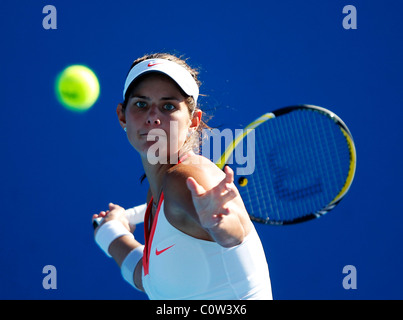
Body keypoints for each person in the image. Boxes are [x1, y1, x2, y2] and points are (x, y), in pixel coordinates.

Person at [93, 53, 272, 300]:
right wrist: (110, 232)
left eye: (168, 106)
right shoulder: (157, 199)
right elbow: (149, 280)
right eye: (141, 104)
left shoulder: (185, 179)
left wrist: (221, 226)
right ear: (122, 115)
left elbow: (234, 235)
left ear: (193, 121)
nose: (152, 116)